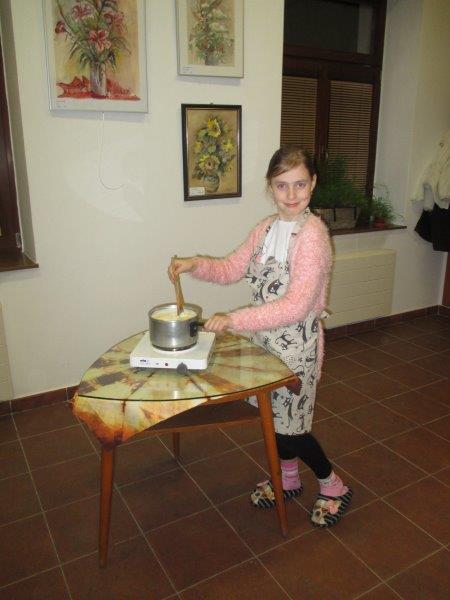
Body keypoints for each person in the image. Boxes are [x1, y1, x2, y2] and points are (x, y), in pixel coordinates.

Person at [168, 146, 352, 528]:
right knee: (273, 419)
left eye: (300, 184)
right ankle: (288, 479)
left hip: (295, 349)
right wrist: (194, 265)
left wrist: (233, 319)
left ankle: (333, 484)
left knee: (294, 429)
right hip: (263, 345)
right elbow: (231, 268)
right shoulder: (266, 229)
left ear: (313, 184)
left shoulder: (313, 237)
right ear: (270, 187)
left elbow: (296, 307)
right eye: (282, 185)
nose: (291, 194)